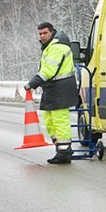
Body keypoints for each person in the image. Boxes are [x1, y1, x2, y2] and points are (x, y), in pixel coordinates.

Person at [25, 22, 77, 164]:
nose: (42, 36)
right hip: (53, 89)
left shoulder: (57, 47)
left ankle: (64, 152)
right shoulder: (50, 47)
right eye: (40, 34)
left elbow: (49, 70)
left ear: (52, 32)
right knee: (49, 119)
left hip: (61, 88)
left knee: (60, 120)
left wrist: (32, 83)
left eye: (45, 33)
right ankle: (60, 148)